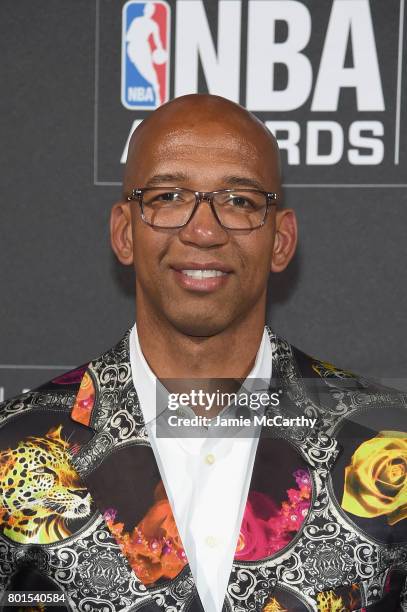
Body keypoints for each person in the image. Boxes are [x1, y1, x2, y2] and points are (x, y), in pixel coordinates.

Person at [0, 94, 406, 612]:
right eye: (169, 196)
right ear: (125, 232)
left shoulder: (390, 444)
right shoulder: (11, 445)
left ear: (281, 241)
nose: (203, 230)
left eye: (239, 201)